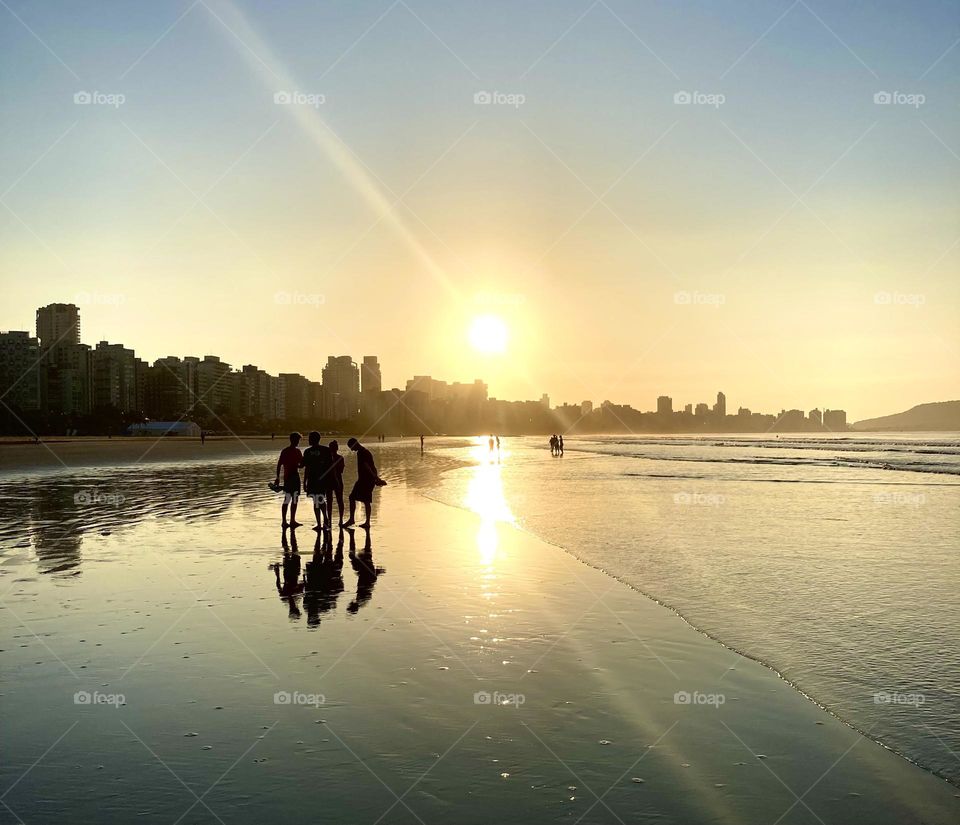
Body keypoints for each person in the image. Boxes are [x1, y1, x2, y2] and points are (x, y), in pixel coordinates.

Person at [343, 437, 385, 528]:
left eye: (351, 447)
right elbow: (371, 466)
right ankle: (362, 521)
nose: (351, 450)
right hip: (365, 479)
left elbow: (367, 466)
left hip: (366, 479)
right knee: (361, 499)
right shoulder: (363, 451)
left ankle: (359, 521)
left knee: (359, 499)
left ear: (355, 444)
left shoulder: (362, 452)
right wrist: (375, 478)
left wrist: (376, 478)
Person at [302, 431, 334, 531]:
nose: (308, 440)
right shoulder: (325, 450)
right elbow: (306, 467)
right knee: (318, 500)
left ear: (313, 439)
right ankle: (322, 521)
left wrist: (305, 481)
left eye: (309, 438)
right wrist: (304, 481)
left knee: (318, 500)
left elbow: (304, 466)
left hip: (317, 479)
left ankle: (323, 521)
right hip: (318, 479)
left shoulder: (309, 451)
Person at [274, 432, 303, 529]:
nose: (298, 442)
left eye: (298, 440)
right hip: (290, 477)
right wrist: (277, 477)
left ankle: (291, 520)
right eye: (297, 440)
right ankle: (284, 521)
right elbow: (279, 464)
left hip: (293, 476)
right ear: (292, 440)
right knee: (288, 499)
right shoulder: (287, 451)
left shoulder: (295, 451)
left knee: (294, 499)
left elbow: (301, 465)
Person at [328, 440, 346, 525]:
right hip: (338, 480)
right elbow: (341, 471)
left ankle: (329, 519)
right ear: (337, 448)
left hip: (329, 481)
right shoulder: (340, 458)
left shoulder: (327, 459)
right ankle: (341, 520)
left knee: (329, 501)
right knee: (340, 500)